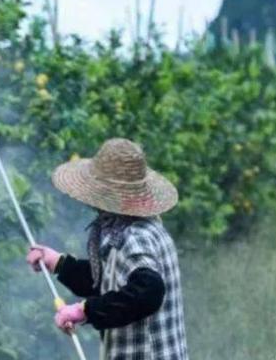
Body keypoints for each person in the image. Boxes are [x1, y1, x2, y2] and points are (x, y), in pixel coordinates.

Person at [26, 138, 188, 360]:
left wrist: (84, 311)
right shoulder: (130, 228)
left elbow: (148, 291)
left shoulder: (135, 236)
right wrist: (59, 263)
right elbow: (111, 281)